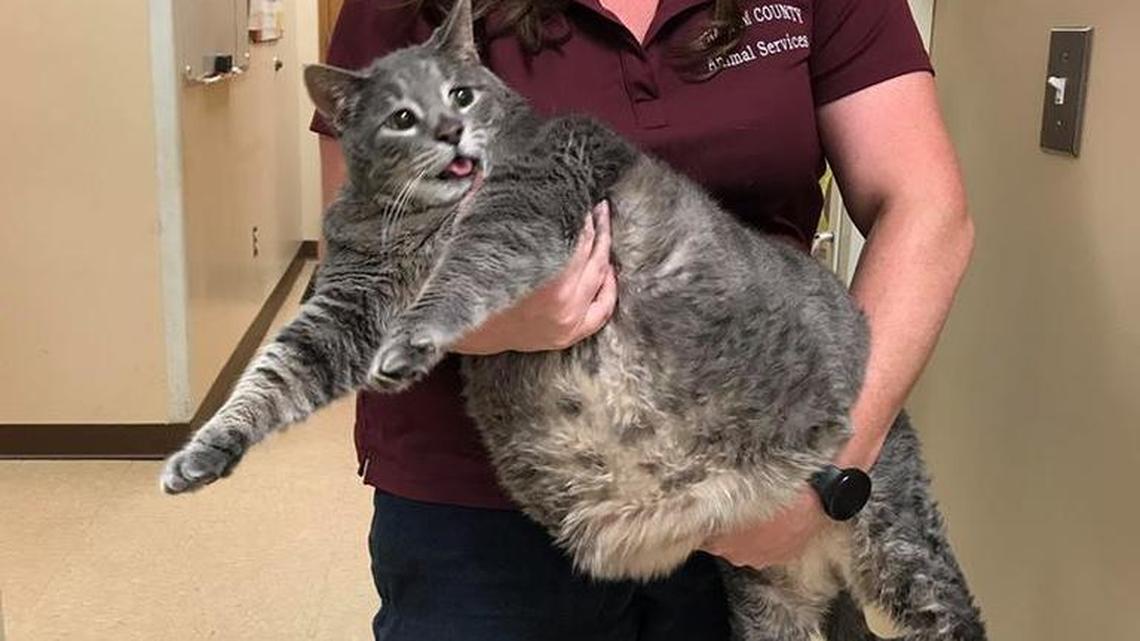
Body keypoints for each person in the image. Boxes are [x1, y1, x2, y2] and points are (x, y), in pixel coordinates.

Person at [310, 1, 973, 639]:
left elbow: (925, 206)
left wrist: (826, 474)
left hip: (747, 472)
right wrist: (491, 316)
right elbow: (362, 258)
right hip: (488, 504)